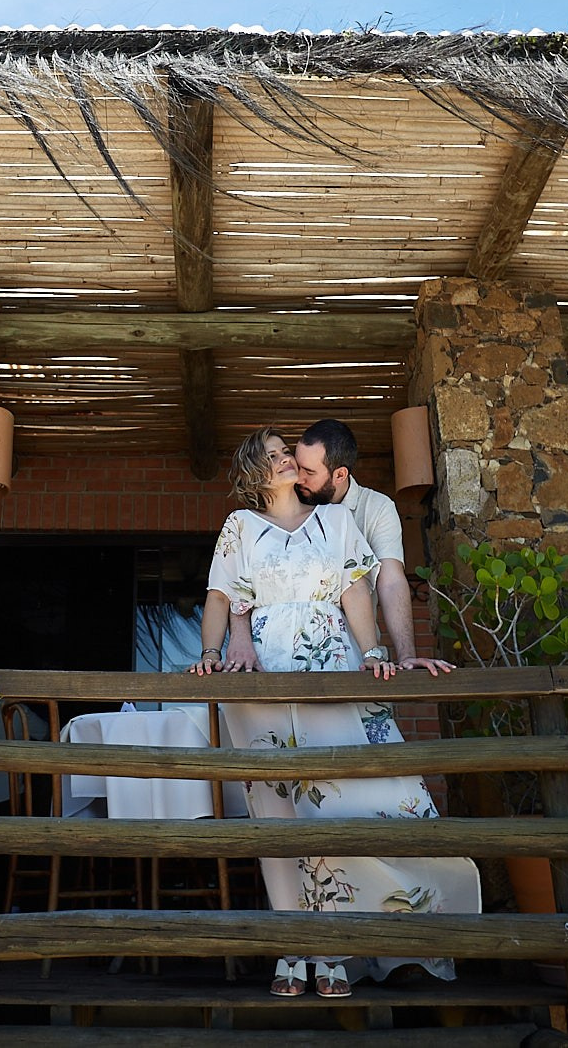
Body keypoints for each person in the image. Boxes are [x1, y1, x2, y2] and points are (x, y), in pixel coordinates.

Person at [190, 427, 479, 999]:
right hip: (261, 686)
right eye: (275, 456)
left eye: (288, 453)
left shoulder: (338, 520)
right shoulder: (239, 526)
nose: (287, 461)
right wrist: (211, 653)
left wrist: (375, 654)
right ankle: (292, 949)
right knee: (277, 821)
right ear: (254, 472)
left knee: (343, 806)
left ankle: (335, 949)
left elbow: (354, 593)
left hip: (332, 673)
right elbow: (222, 596)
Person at [294, 417, 455, 677]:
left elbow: (390, 582)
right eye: (297, 466)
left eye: (309, 472)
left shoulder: (378, 508)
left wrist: (406, 655)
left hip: (357, 659)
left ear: (340, 475)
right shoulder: (286, 503)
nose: (298, 478)